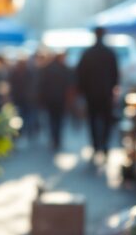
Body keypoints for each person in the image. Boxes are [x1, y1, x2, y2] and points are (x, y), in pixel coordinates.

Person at [76, 27, 119, 159]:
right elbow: (115, 73)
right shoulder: (109, 52)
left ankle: (96, 145)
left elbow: (80, 74)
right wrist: (113, 88)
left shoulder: (88, 53)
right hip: (105, 92)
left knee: (92, 120)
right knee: (106, 120)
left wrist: (82, 91)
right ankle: (104, 144)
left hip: (91, 93)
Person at [38, 52, 74, 151]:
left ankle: (54, 138)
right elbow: (70, 85)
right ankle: (57, 138)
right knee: (59, 119)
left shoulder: (46, 68)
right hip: (61, 99)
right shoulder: (64, 69)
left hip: (50, 99)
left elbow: (41, 86)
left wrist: (41, 100)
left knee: (52, 119)